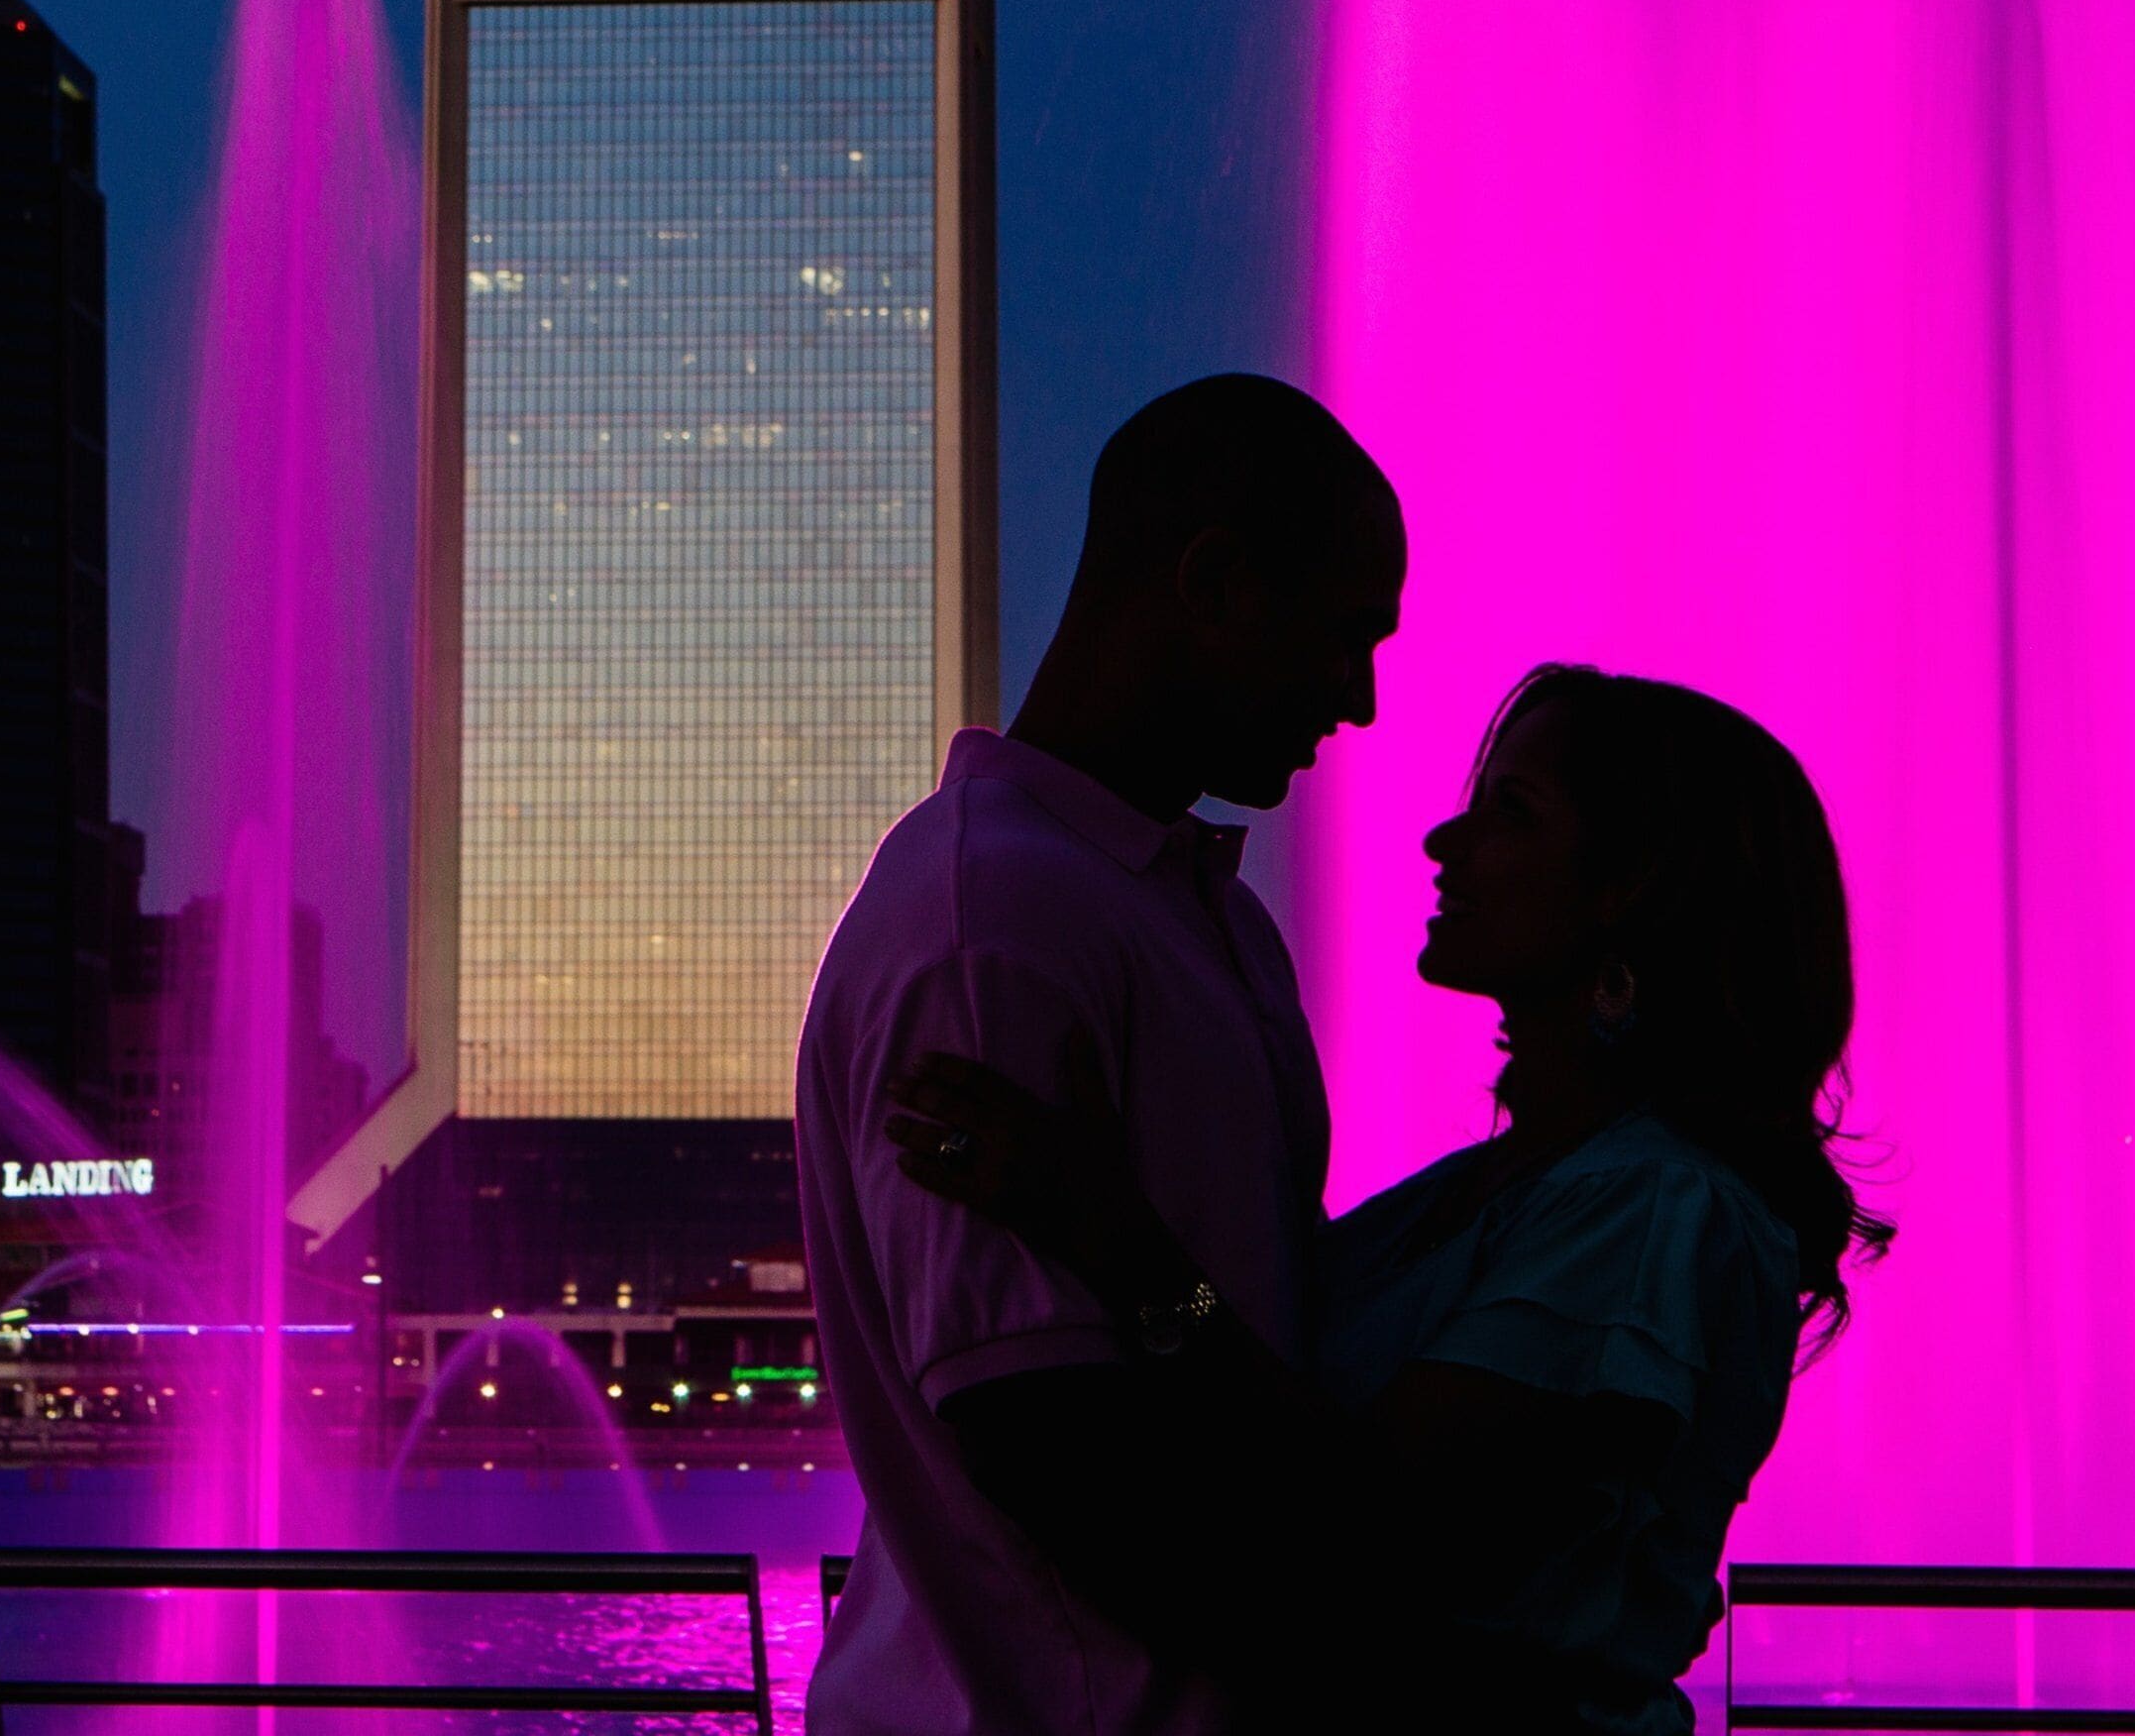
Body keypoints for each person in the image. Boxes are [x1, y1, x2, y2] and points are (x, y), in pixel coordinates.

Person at [885, 666, 1890, 1732]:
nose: (1443, 843)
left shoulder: (1659, 1208)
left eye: (1512, 811)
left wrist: (1120, 1242)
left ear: (1634, 893)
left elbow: (1361, 1513)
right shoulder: (1500, 1193)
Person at [794, 373, 1408, 1736]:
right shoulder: (994, 925)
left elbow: (1206, 1330)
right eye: (1342, 636)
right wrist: (1357, 1658)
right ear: (1215, 583)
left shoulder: (1207, 924)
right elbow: (1049, 1439)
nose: (1358, 700)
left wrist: (1142, 1264)